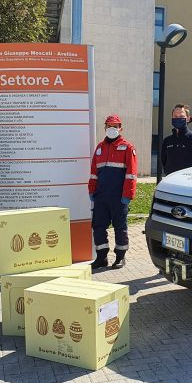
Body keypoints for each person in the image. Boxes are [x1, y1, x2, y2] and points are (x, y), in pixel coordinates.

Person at [88, 114, 137, 270]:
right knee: (98, 226)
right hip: (101, 196)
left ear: (120, 128)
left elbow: (132, 174)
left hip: (118, 197)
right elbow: (93, 172)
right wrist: (91, 191)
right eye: (109, 126)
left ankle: (120, 258)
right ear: (104, 128)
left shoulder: (127, 147)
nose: (112, 129)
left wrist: (128, 195)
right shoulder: (100, 148)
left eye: (115, 126)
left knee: (120, 227)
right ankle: (101, 258)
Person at [160, 103, 192, 175]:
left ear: (188, 118)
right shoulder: (167, 141)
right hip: (170, 181)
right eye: (175, 116)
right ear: (172, 118)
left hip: (187, 182)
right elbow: (163, 161)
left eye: (181, 116)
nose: (178, 118)